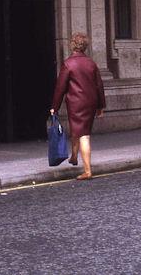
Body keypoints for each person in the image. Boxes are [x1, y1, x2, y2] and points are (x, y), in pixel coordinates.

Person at [50, 32, 106, 180]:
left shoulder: (68, 64)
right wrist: (101, 106)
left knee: (84, 135)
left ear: (72, 45)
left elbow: (60, 88)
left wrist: (54, 107)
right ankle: (74, 157)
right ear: (85, 47)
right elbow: (99, 86)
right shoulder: (91, 63)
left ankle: (87, 171)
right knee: (79, 130)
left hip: (76, 103)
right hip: (91, 102)